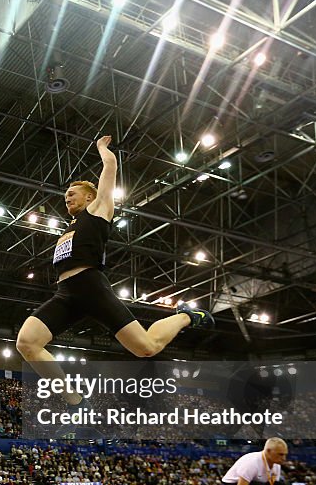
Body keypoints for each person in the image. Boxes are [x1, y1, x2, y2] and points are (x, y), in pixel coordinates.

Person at [15, 135, 214, 404]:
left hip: (91, 287)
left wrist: (102, 150)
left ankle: (186, 317)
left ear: (89, 196)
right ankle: (75, 401)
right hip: (66, 293)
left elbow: (110, 170)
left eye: (71, 193)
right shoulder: (70, 228)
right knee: (27, 342)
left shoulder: (98, 210)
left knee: (146, 348)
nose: (67, 198)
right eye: (65, 196)